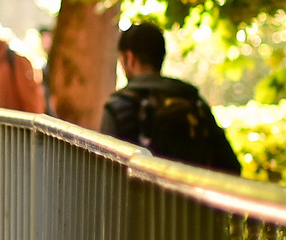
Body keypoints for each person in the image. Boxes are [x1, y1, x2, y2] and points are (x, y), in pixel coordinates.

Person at [100, 20, 242, 173]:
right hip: (190, 196)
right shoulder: (194, 102)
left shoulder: (119, 106)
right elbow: (231, 166)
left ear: (130, 57)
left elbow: (105, 175)